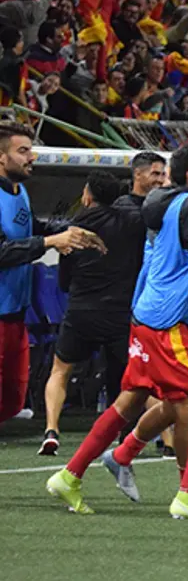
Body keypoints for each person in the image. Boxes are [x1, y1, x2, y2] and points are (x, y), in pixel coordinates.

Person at [46, 142, 188, 520]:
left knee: (135, 400)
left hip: (148, 315)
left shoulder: (175, 204)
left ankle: (72, 473)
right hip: (171, 323)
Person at [38, 170, 150, 455]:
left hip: (81, 311)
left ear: (88, 196)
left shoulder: (74, 228)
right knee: (131, 378)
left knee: (60, 370)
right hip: (120, 313)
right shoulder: (132, 223)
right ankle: (136, 435)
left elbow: (64, 281)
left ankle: (52, 428)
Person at [1, 122, 106, 426]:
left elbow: (34, 229)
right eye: (22, 151)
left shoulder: (18, 192)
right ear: (1, 158)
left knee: (12, 397)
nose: (31, 157)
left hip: (14, 311)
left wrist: (70, 232)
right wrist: (50, 242)